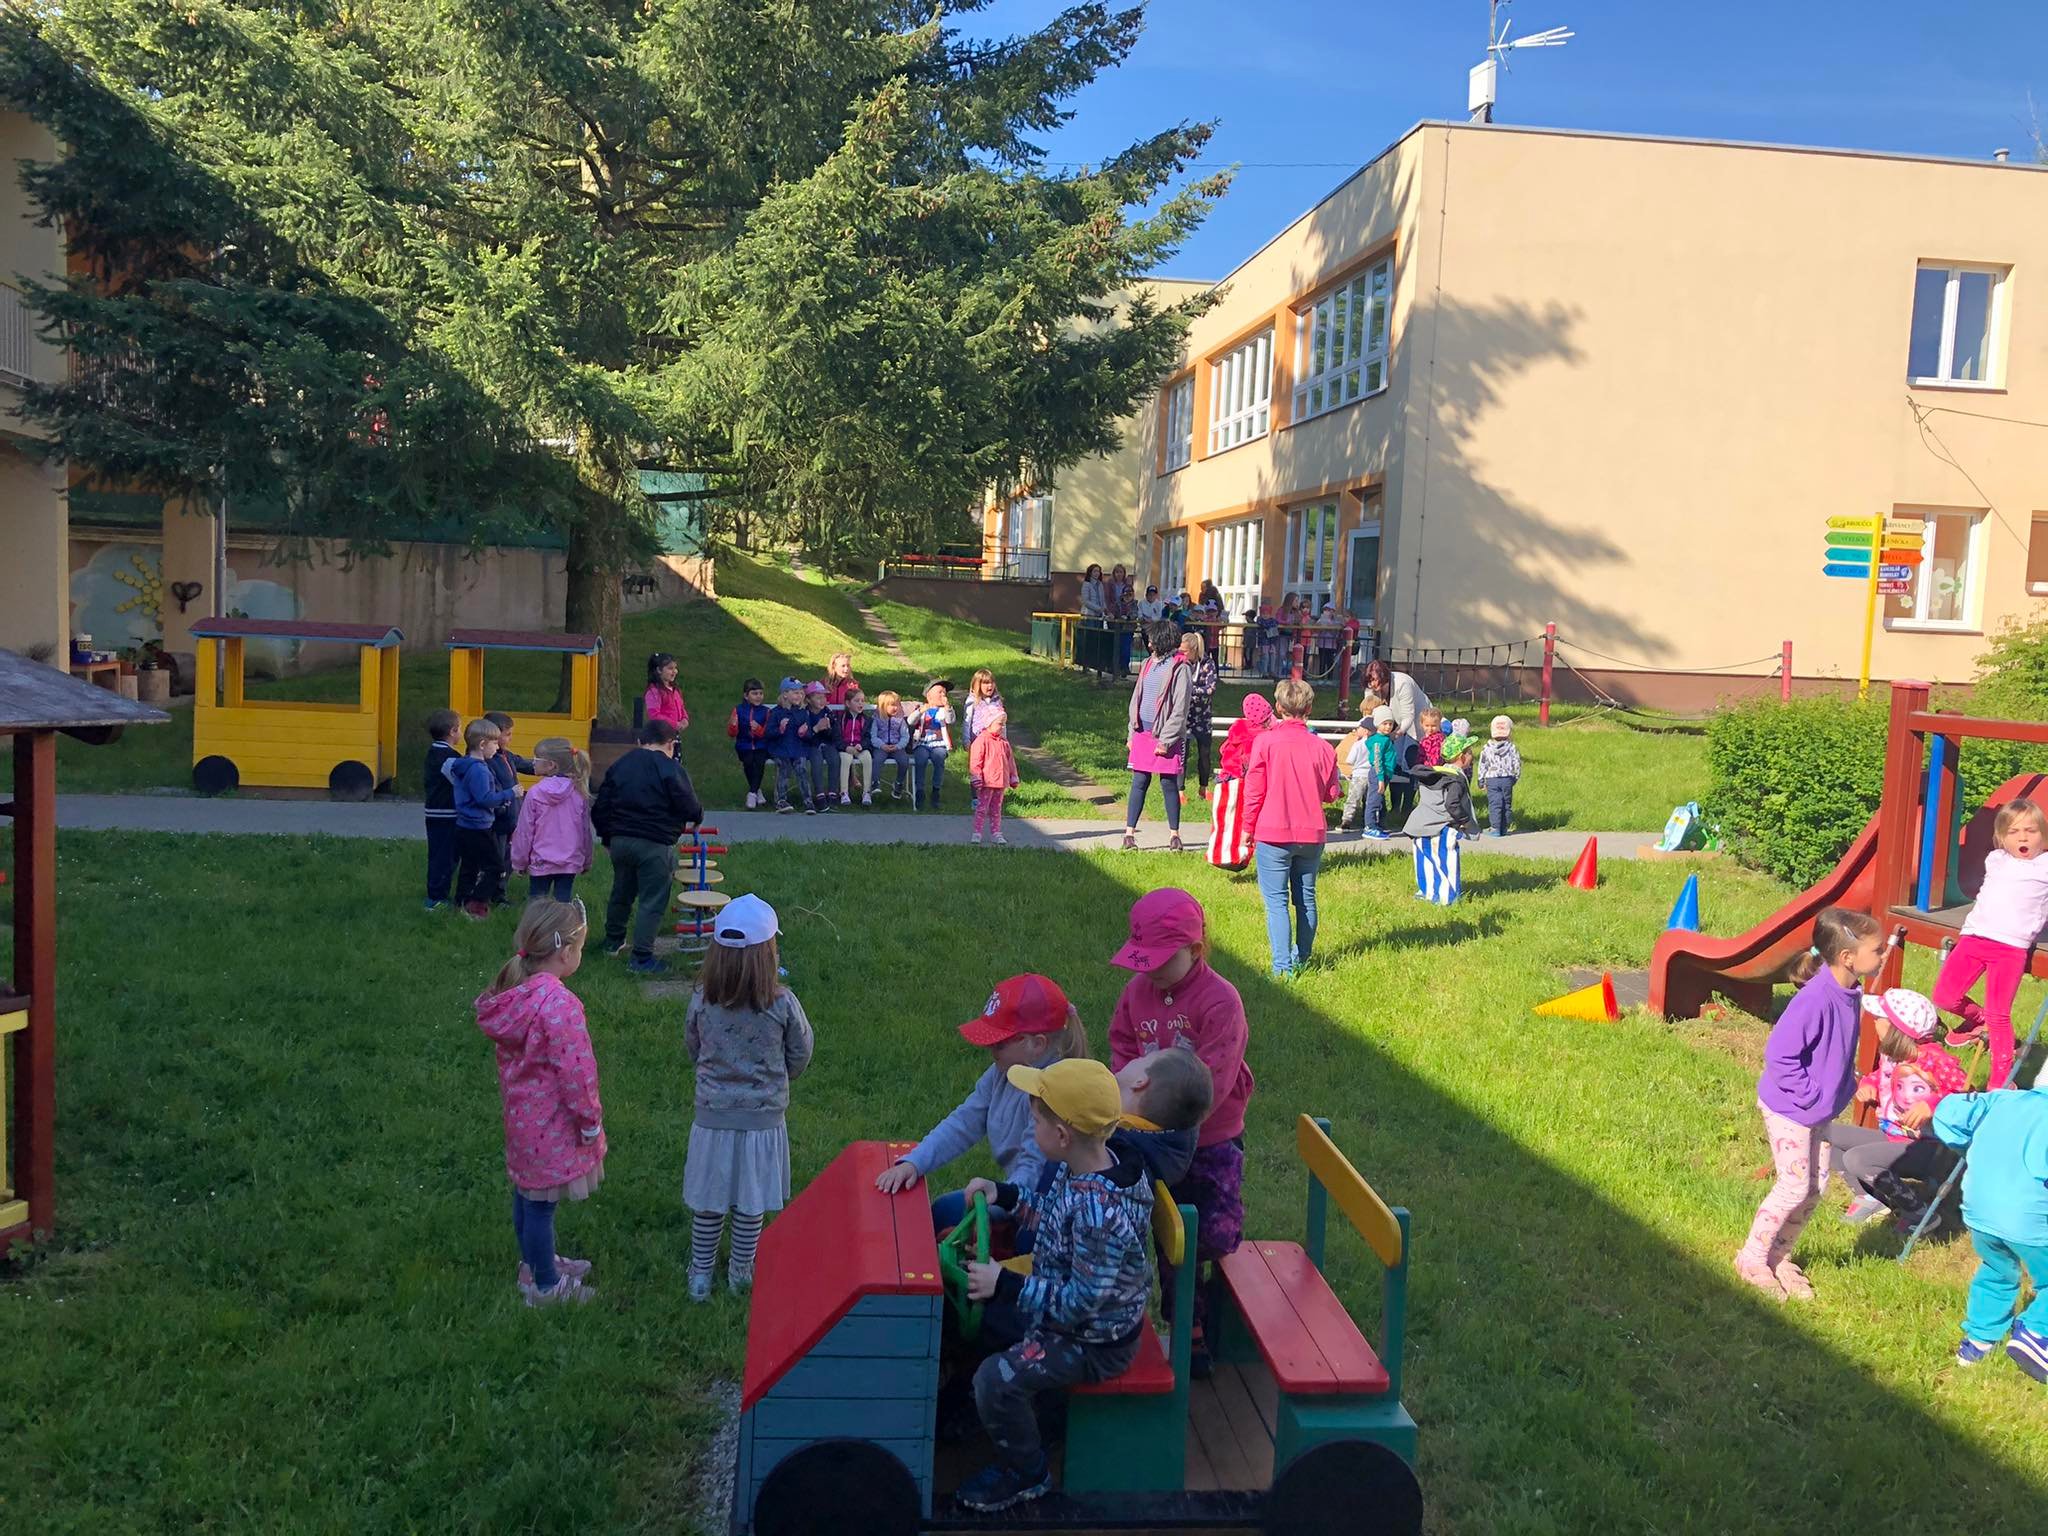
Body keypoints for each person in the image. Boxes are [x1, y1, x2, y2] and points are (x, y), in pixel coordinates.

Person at [953, 1058, 1153, 1513]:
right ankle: (1001, 1417)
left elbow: (1081, 1304)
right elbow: (1054, 1215)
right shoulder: (1087, 1166)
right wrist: (1005, 1194)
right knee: (983, 1328)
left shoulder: (1099, 1215)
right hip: (1070, 1313)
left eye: (1036, 1121)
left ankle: (1027, 1472)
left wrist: (1006, 1284)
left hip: (1093, 1342)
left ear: (1062, 1135)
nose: (1032, 1126)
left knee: (995, 1379)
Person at [1109, 888, 1252, 1374]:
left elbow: (1216, 1077)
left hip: (1213, 1139)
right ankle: (1186, 1327)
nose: (1148, 969)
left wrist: (1175, 1118)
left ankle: (1216, 1302)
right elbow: (1123, 1043)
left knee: (1216, 1232)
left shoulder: (1221, 1001)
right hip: (1153, 1138)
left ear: (1195, 949)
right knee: (1171, 1234)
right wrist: (1131, 1097)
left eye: (1159, 959)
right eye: (1142, 958)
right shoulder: (1137, 993)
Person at [873, 973, 1087, 1256]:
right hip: (1014, 1196)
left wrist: (997, 1203)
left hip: (1039, 1220)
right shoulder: (1002, 1071)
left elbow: (1033, 1172)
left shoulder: (1051, 1096)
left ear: (1037, 1044)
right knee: (941, 1212)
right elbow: (964, 1121)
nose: (989, 1048)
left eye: (999, 1043)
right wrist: (914, 1162)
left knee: (949, 1224)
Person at [1733, 907, 1885, 1300]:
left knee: (1815, 1187)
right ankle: (1751, 1258)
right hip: (1791, 1109)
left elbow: (1834, 1051)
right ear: (1848, 957)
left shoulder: (1850, 991)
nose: (1883, 955)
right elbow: (1780, 1055)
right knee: (1793, 1185)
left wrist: (1847, 1085)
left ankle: (1778, 1256)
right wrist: (1813, 1096)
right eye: (1877, 949)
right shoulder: (1815, 998)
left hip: (1817, 1111)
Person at [683, 894, 814, 1301]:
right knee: (750, 1199)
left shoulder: (702, 999)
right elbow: (801, 1051)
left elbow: (693, 1046)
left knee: (710, 1198)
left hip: (713, 1115)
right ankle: (741, 1271)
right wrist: (779, 1078)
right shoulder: (782, 1003)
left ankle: (700, 1273)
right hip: (763, 1119)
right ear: (768, 954)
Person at [475, 896, 603, 1307]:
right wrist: (590, 1121)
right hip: (551, 1123)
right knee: (541, 1206)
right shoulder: (560, 1006)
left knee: (527, 1195)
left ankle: (534, 1263)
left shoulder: (514, 993)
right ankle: (546, 1287)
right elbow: (577, 1073)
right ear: (565, 953)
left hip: (521, 1118)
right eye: (580, 948)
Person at [1931, 1057, 2048, 1379]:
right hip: (2027, 1218)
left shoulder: (2001, 1100)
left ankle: (1978, 1342)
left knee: (1997, 1269)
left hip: (1979, 1209)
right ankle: (2035, 1333)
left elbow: (1947, 1112)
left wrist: (1969, 1148)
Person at [1826, 988, 1967, 1229]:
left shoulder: (1934, 1059)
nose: (1874, 1022)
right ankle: (1870, 1198)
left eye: (1879, 1018)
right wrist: (1869, 1084)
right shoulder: (1891, 1056)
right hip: (1892, 1134)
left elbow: (1964, 1093)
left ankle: (1920, 1214)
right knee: (1823, 1133)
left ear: (1896, 1029)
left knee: (1856, 1159)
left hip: (1927, 1147)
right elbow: (1881, 1076)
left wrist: (1931, 1104)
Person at [1933, 798, 2048, 1088]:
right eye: (2014, 832)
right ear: (2001, 838)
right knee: (1945, 996)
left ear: (2044, 837)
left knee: (2000, 1015)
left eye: (2031, 831)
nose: (2023, 838)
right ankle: (1978, 1019)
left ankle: (2000, 1082)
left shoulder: (2045, 865)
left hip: (2010, 948)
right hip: (1974, 936)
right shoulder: (1996, 859)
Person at [1241, 678, 1341, 978]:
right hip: (1312, 832)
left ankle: (1282, 968)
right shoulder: (1324, 748)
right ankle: (1303, 957)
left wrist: (1247, 827)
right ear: (1309, 708)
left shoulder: (1265, 743)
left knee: (1276, 903)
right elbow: (1332, 794)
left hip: (1272, 832)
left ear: (1278, 707)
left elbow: (1254, 791)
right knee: (1306, 898)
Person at [591, 717, 702, 974]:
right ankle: (641, 957)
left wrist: (607, 837)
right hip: (655, 842)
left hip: (620, 840)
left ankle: (613, 940)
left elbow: (601, 805)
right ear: (671, 744)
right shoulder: (671, 768)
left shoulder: (621, 765)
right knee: (652, 899)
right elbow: (687, 803)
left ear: (641, 741)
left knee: (622, 891)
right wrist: (697, 817)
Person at [1123, 622, 1192, 853]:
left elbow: (1180, 708)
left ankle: (1175, 835)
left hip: (1165, 735)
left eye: (1153, 638)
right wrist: (1132, 731)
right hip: (1142, 732)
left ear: (1163, 640)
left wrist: (1166, 740)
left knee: (1168, 783)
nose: (1149, 642)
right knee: (1139, 781)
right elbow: (1136, 699)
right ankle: (1129, 834)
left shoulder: (1180, 667)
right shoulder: (1147, 664)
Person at [1109, 1045, 1215, 1188]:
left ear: (1140, 1081)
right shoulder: (1161, 1152)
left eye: (1142, 1059)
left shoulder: (1116, 1143)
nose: (1134, 1060)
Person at [509, 736, 593, 901]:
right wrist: (587, 859)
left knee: (537, 903)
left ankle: (537, 920)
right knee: (563, 903)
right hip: (570, 861)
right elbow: (585, 831)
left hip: (541, 860)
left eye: (536, 759)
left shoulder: (535, 792)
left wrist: (519, 861)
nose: (532, 762)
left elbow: (525, 831)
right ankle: (562, 920)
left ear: (551, 765)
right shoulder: (579, 792)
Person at [449, 717, 517, 920]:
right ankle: (476, 905)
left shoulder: (465, 765)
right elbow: (484, 799)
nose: (497, 747)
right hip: (478, 826)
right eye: (494, 743)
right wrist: (509, 794)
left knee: (469, 867)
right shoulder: (478, 769)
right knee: (495, 868)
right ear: (482, 744)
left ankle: (460, 902)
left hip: (464, 825)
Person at [1405, 731, 1481, 905]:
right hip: (1441, 827)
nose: (1472, 756)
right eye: (1469, 752)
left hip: (1419, 824)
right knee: (1446, 862)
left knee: (1425, 860)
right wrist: (1464, 820)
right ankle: (1448, 898)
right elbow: (1452, 804)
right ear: (1461, 757)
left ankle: (1427, 891)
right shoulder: (1454, 779)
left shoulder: (1434, 773)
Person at [1205, 693, 1271, 870]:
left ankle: (1220, 853)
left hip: (1227, 779)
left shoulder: (1237, 729)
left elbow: (1224, 749)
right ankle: (1240, 855)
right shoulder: (1262, 737)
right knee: (1245, 821)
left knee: (1226, 821)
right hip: (1245, 781)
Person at [482, 711, 536, 896]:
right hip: (498, 819)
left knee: (509, 856)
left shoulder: (507, 755)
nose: (511, 738)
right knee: (496, 858)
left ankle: (500, 891)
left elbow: (528, 765)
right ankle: (489, 892)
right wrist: (501, 807)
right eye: (508, 734)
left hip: (512, 817)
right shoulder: (487, 760)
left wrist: (553, 765)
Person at [422, 707, 463, 911]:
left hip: (433, 811)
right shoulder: (450, 757)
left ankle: (436, 894)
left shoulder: (432, 752)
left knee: (438, 854)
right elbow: (458, 781)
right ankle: (436, 898)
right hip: (446, 812)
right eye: (460, 729)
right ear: (453, 731)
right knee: (445, 857)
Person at [968, 707, 1020, 846]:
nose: (1002, 727)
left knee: (996, 809)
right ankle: (977, 832)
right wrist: (976, 776)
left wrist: (1013, 776)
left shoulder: (1004, 743)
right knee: (982, 808)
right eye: (999, 724)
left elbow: (1010, 761)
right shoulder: (982, 740)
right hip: (987, 781)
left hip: (1000, 781)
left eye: (1004, 724)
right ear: (989, 723)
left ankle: (996, 832)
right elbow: (976, 760)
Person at [765, 677, 813, 814]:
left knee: (801, 768)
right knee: (784, 767)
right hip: (780, 749)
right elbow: (769, 733)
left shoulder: (803, 712)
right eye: (795, 692)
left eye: (801, 693)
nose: (799, 696)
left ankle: (808, 801)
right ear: (785, 694)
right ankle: (781, 800)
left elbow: (809, 734)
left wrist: (804, 733)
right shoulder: (776, 712)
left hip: (798, 748)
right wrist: (779, 730)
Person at [1182, 631, 1219, 797]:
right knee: (1182, 753)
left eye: (1185, 651)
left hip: (1203, 715)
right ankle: (1180, 790)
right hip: (1185, 715)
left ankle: (1203, 787)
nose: (1182, 654)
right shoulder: (1181, 664)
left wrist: (1191, 690)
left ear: (1194, 650)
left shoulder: (1207, 664)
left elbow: (1210, 688)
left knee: (1204, 754)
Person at [727, 677, 772, 809]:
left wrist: (758, 730)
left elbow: (769, 732)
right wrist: (733, 726)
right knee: (748, 762)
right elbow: (732, 733)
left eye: (760, 693)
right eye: (754, 693)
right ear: (746, 696)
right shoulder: (738, 710)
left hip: (762, 745)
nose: (758, 697)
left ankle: (752, 793)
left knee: (759, 762)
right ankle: (756, 789)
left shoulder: (766, 711)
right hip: (744, 745)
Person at [911, 678, 955, 811]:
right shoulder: (922, 708)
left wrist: (948, 708)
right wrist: (920, 711)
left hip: (938, 744)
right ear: (929, 696)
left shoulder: (945, 710)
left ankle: (936, 791)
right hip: (922, 743)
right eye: (940, 692)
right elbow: (911, 721)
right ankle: (919, 790)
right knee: (921, 759)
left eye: (944, 693)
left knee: (939, 757)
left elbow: (950, 720)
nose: (943, 695)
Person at [1362, 658, 1431, 738]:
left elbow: (1408, 717)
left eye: (1374, 679)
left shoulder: (1403, 683)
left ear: (1383, 676)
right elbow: (1369, 713)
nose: (1371, 684)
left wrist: (1393, 736)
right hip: (1390, 725)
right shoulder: (1369, 687)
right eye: (1369, 680)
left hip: (1417, 723)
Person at [1479, 715, 1523, 837]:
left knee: (1495, 803)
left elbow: (1483, 764)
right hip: (1507, 778)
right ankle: (1504, 826)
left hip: (1492, 779)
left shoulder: (1487, 748)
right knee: (1506, 803)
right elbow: (1517, 763)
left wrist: (1481, 780)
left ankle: (1495, 828)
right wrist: (1516, 776)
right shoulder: (1512, 747)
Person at [870, 689, 913, 800]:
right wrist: (881, 745)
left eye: (897, 705)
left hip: (896, 746)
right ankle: (875, 782)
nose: (896, 708)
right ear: (883, 706)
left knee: (904, 761)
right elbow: (873, 736)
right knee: (877, 759)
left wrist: (898, 746)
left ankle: (898, 783)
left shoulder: (900, 720)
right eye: (892, 705)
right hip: (881, 746)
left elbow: (905, 736)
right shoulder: (876, 719)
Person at [801, 683, 838, 813]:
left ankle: (833, 793)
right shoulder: (804, 714)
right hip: (811, 744)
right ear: (808, 700)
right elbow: (804, 736)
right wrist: (816, 728)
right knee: (816, 761)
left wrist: (828, 729)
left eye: (824, 697)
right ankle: (820, 794)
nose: (822, 700)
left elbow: (835, 734)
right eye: (818, 698)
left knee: (834, 759)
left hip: (827, 743)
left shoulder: (828, 713)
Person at [836, 686, 875, 805]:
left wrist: (862, 746)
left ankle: (867, 792)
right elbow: (837, 738)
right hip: (846, 748)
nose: (861, 703)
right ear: (848, 703)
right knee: (846, 759)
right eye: (857, 701)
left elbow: (868, 737)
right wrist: (845, 747)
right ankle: (844, 792)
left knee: (867, 758)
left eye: (862, 701)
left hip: (860, 748)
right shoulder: (840, 719)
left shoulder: (866, 720)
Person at [643, 652, 689, 734]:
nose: (675, 671)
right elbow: (654, 715)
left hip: (673, 734)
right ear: (659, 670)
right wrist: (674, 724)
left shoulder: (675, 690)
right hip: (659, 736)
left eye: (675, 668)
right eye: (670, 668)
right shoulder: (654, 692)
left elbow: (681, 707)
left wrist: (684, 719)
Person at [962, 668, 1005, 751]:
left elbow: (1002, 722)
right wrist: (966, 741)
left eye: (992, 682)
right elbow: (967, 722)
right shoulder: (972, 701)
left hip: (994, 741)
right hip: (977, 740)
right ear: (978, 685)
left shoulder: (997, 701)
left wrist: (1003, 739)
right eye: (986, 683)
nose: (990, 685)